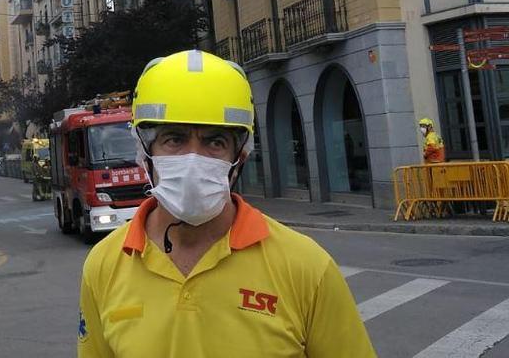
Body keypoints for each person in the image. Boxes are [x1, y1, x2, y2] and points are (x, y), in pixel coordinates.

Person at [77, 50, 375, 357]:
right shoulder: (103, 266)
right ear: (144, 152)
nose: (193, 159)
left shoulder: (307, 267)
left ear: (240, 157)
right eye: (174, 139)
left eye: (214, 142)